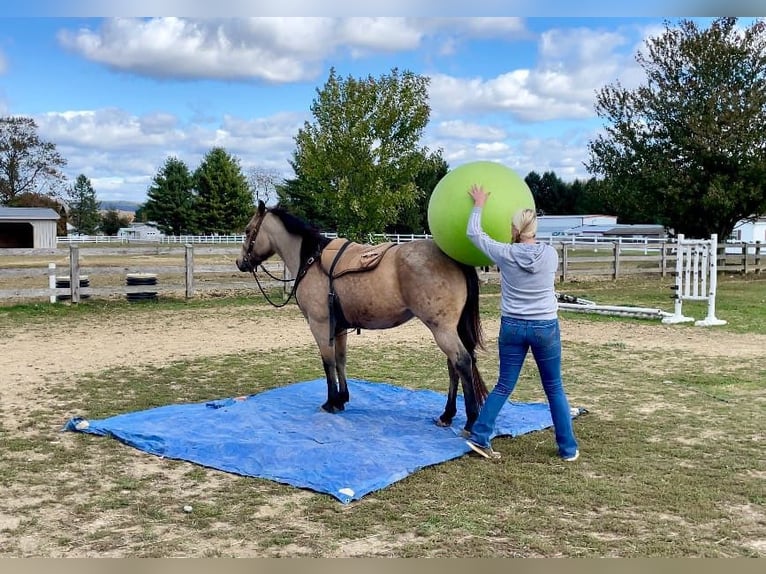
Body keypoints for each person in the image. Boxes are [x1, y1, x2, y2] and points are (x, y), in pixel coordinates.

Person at [464, 183, 579, 462]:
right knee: (554, 387)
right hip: (545, 327)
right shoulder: (550, 254)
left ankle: (480, 436)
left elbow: (473, 233)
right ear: (534, 230)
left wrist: (479, 204)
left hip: (512, 327)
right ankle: (568, 449)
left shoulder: (505, 252)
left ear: (515, 230)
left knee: (504, 385)